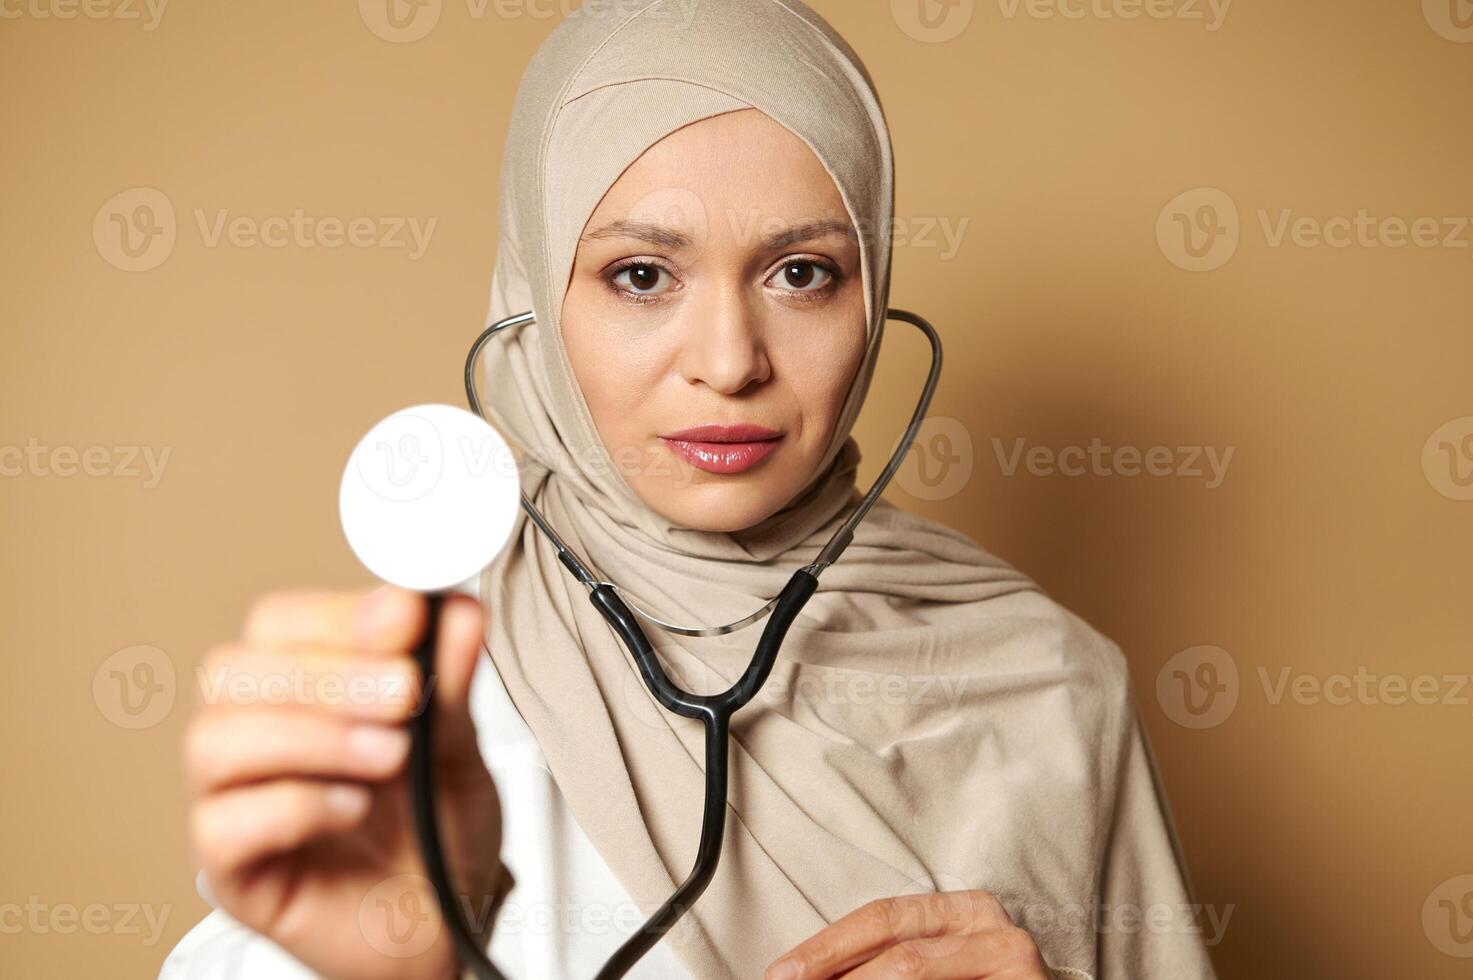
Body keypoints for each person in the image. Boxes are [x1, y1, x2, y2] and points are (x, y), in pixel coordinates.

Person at [163, 1, 1218, 978]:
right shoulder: (417, 708)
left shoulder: (1057, 684)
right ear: (533, 295)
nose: (729, 359)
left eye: (801, 271)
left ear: (874, 293)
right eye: (641, 274)